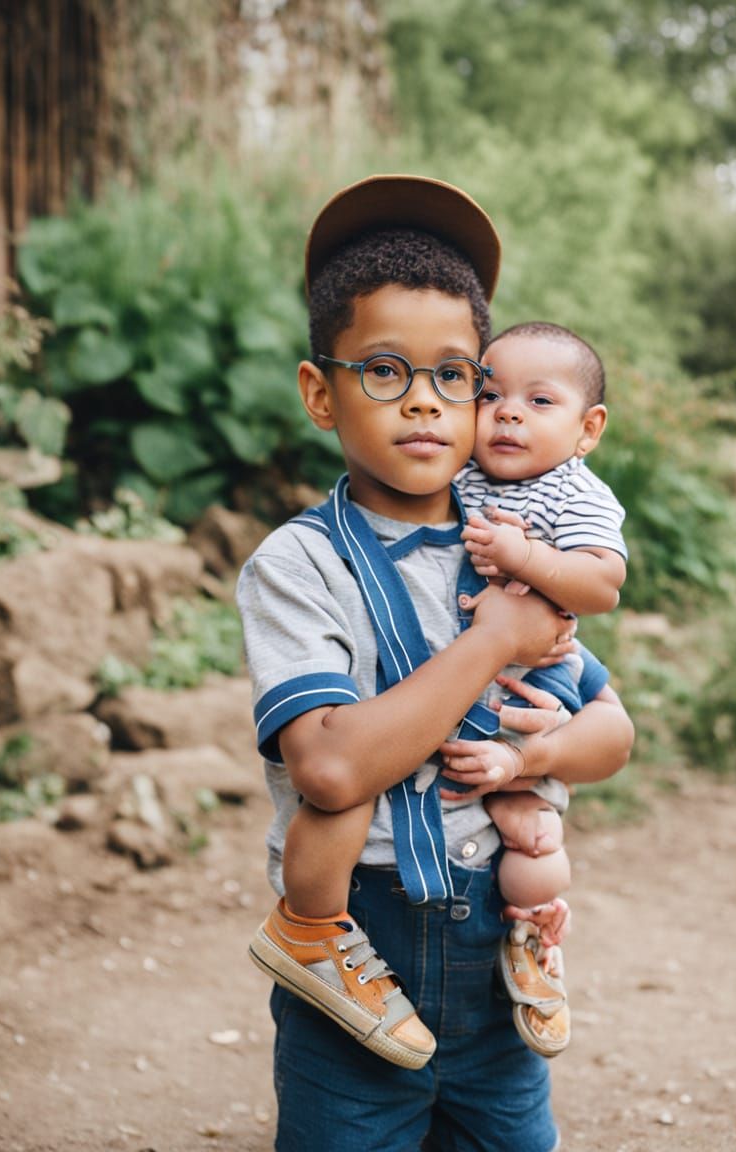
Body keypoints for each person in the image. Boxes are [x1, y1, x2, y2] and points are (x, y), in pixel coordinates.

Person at [237, 174, 633, 1152]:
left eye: (454, 374)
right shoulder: (301, 563)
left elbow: (611, 731)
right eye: (381, 370)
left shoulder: (512, 540)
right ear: (318, 392)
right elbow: (328, 766)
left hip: (495, 949)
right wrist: (496, 637)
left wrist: (533, 758)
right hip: (355, 951)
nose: (422, 401)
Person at [440, 319, 629, 1055]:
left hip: (538, 680)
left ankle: (533, 932)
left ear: (588, 430)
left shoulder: (573, 492)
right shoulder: (459, 473)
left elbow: (602, 582)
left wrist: (527, 557)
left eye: (538, 401)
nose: (509, 412)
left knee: (534, 835)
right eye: (491, 395)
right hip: (463, 673)